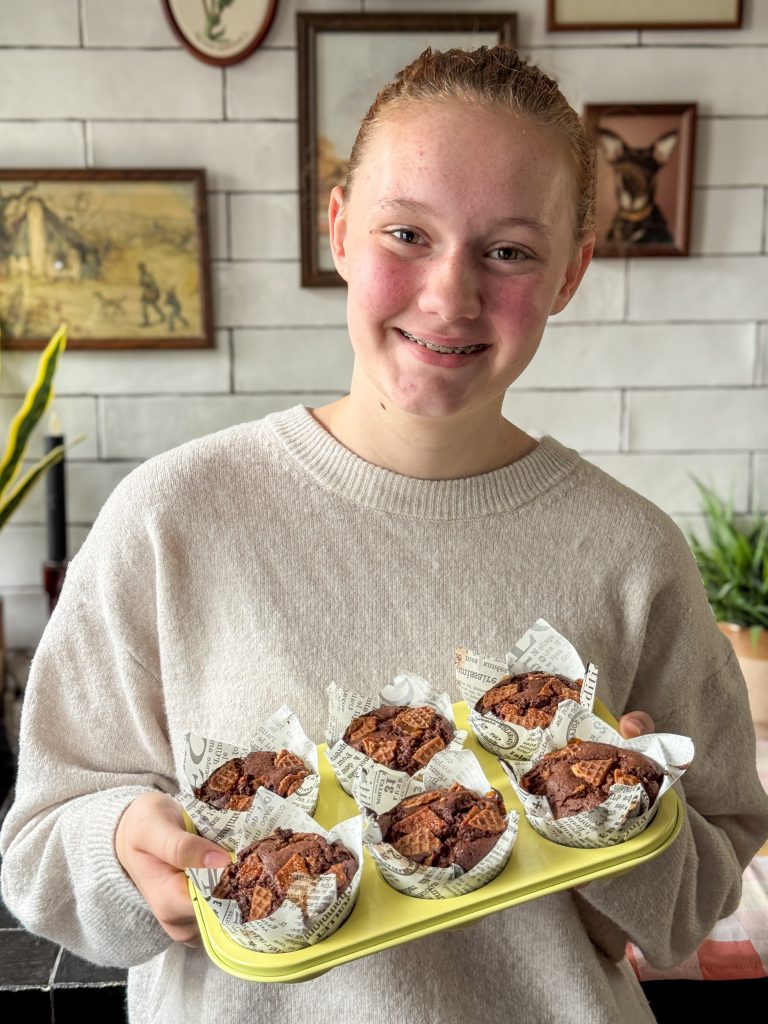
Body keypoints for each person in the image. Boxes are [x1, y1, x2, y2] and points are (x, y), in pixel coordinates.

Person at [2, 46, 767, 1024]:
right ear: (340, 231)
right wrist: (121, 848)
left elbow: (704, 887)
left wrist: (625, 811)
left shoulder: (632, 552)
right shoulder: (170, 520)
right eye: (407, 231)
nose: (450, 295)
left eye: (509, 250)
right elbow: (39, 853)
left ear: (571, 270)